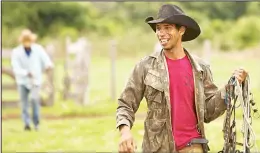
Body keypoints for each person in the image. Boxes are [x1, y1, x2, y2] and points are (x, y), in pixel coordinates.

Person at [116, 4, 248, 153]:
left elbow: (209, 112)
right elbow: (126, 104)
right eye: (158, 28)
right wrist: (125, 132)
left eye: (167, 27)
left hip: (193, 147)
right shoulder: (145, 67)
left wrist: (231, 86)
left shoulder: (200, 69)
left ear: (182, 30)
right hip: (158, 149)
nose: (161, 33)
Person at [11, 29, 54, 131]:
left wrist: (48, 66)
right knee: (24, 103)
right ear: (22, 41)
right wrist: (26, 73)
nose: (27, 42)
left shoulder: (38, 49)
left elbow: (47, 61)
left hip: (36, 80)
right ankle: (26, 123)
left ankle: (36, 123)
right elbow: (15, 68)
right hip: (22, 81)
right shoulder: (16, 52)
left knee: (35, 100)